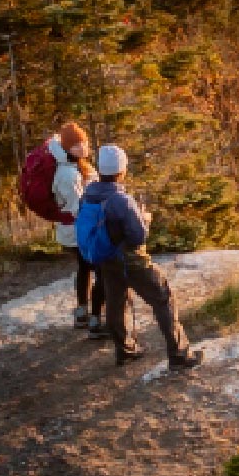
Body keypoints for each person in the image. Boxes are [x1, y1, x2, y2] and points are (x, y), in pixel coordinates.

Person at [75, 143, 201, 370]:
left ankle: (125, 351)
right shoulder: (121, 201)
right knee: (162, 297)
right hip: (130, 261)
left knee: (115, 303)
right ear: (121, 171)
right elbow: (138, 236)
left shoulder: (88, 195)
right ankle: (179, 354)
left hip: (105, 260)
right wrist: (145, 218)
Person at [44, 120, 102, 332]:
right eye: (77, 144)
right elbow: (78, 207)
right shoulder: (67, 174)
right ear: (67, 148)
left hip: (76, 230)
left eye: (84, 142)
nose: (83, 147)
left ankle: (82, 312)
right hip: (78, 230)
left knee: (85, 268)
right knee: (99, 270)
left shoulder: (76, 166)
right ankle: (95, 320)